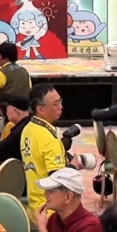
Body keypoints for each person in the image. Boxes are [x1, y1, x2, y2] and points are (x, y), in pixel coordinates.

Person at [21, 84, 67, 224]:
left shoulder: (28, 129)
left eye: (60, 102)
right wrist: (74, 167)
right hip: (51, 214)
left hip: (34, 208)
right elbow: (59, 182)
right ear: (40, 109)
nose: (60, 107)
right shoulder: (49, 139)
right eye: (55, 104)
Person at [33, 168, 102, 232]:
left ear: (68, 197)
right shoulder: (54, 219)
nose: (45, 194)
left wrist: (43, 230)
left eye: (51, 190)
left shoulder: (91, 226)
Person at [0, 42, 32, 121]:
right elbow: (29, 89)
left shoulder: (0, 74)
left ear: (5, 57)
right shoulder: (24, 71)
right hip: (24, 116)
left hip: (6, 117)